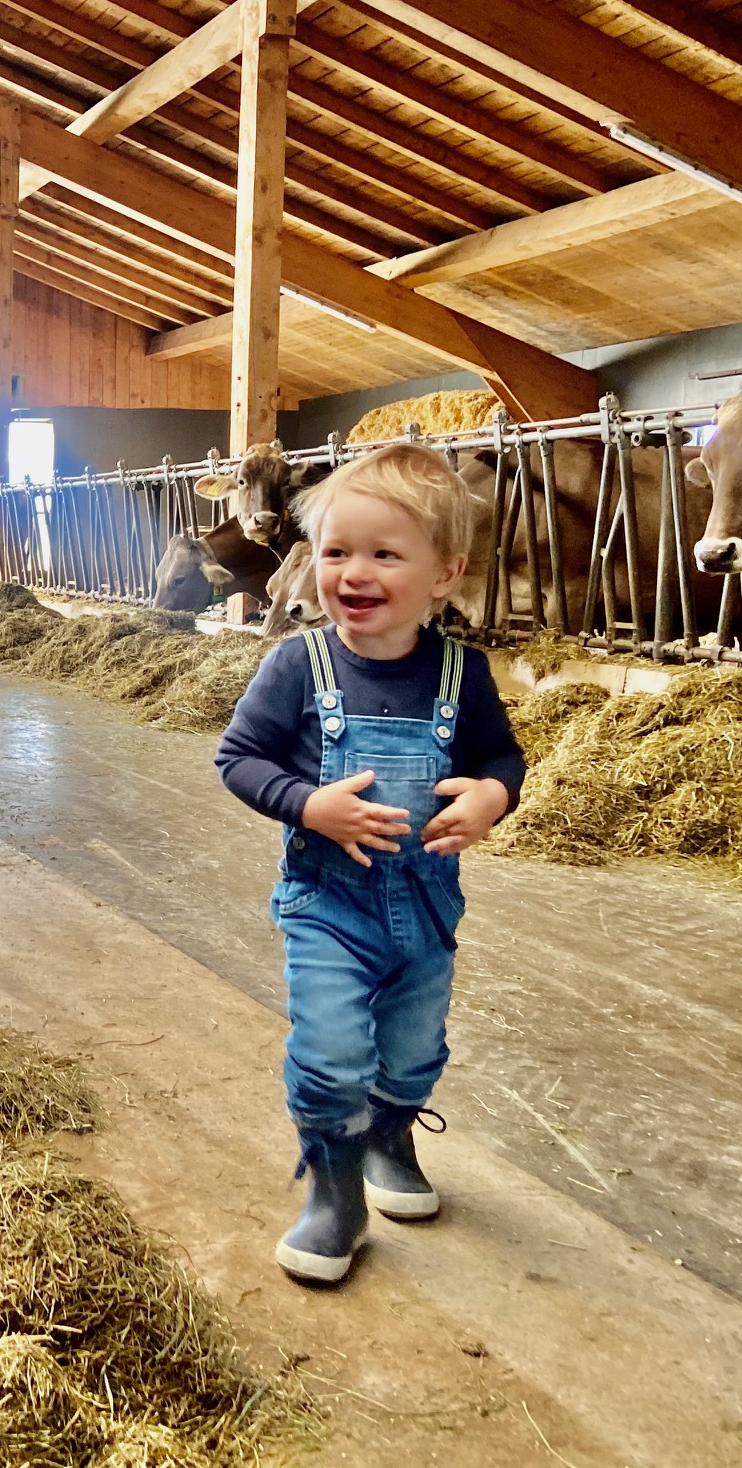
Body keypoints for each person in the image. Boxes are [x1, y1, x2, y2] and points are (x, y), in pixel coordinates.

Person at [214, 443, 525, 1284]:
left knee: (415, 1047)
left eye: (384, 554)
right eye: (335, 551)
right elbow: (239, 759)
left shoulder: (465, 674)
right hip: (328, 904)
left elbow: (503, 760)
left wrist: (491, 799)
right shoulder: (295, 665)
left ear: (444, 575)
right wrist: (308, 804)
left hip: (425, 910)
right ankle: (335, 1191)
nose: (352, 572)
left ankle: (390, 1138)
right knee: (330, 1049)